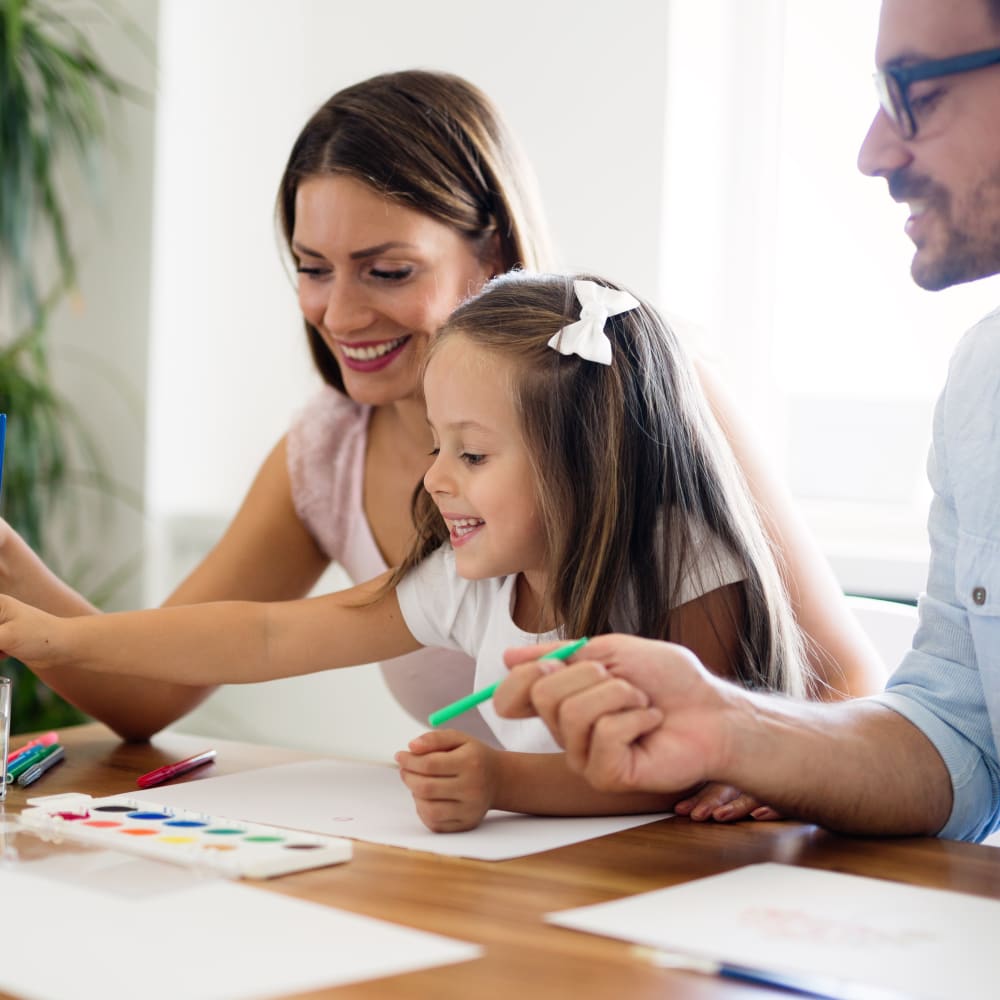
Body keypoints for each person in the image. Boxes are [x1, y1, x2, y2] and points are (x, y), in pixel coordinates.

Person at [0, 71, 879, 789]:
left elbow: (837, 686)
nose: (338, 313)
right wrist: (44, 616)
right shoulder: (340, 459)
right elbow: (209, 659)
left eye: (386, 270)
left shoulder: (648, 402)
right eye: (311, 269)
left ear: (492, 254)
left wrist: (758, 768)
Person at [0, 271, 816, 832]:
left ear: (586, 458)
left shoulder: (681, 561)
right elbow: (266, 635)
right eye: (436, 447)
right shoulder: (469, 584)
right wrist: (63, 639)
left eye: (471, 454)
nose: (433, 481)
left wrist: (502, 782)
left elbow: (668, 770)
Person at [492, 0, 1000, 843]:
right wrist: (734, 728)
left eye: (916, 92)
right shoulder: (983, 386)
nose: (874, 151)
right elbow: (964, 748)